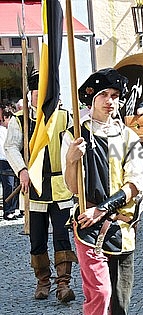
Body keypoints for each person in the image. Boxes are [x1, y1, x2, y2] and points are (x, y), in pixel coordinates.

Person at [62, 68, 143, 315]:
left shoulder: (129, 138)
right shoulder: (76, 134)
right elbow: (72, 187)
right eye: (104, 96)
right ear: (91, 99)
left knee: (121, 303)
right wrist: (71, 160)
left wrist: (103, 208)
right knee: (100, 295)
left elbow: (135, 183)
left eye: (115, 96)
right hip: (88, 231)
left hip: (121, 229)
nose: (111, 102)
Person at [4, 71, 77, 302]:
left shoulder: (65, 117)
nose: (40, 98)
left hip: (61, 186)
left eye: (45, 94)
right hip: (34, 187)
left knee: (62, 236)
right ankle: (43, 280)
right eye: (37, 93)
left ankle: (63, 284)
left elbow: (74, 148)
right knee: (37, 238)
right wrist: (22, 170)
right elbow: (11, 147)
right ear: (31, 95)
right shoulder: (20, 119)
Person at [0, 105, 20, 220]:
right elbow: (4, 148)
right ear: (6, 118)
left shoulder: (8, 130)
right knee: (9, 186)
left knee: (14, 186)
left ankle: (13, 209)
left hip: (11, 161)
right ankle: (8, 211)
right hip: (5, 161)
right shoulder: (2, 131)